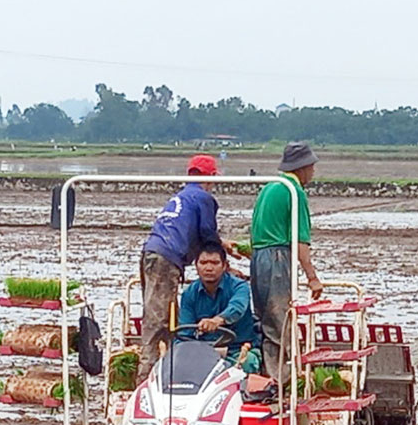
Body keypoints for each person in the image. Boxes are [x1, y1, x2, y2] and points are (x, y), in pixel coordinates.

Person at [138, 154, 237, 380]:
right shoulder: (204, 198)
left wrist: (222, 244)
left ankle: (167, 370)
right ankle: (146, 378)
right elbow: (207, 236)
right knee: (159, 319)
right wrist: (225, 266)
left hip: (151, 253)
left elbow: (199, 233)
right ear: (210, 178)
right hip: (167, 258)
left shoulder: (182, 196)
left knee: (165, 315)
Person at [249, 141, 323, 380]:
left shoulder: (272, 187)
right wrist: (312, 278)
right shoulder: (294, 191)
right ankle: (282, 382)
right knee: (281, 321)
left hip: (259, 258)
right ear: (303, 167)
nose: (313, 172)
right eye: (311, 167)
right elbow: (300, 242)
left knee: (264, 320)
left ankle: (266, 375)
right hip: (277, 258)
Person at [179, 241, 262, 374]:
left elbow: (237, 308)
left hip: (236, 350)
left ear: (224, 266)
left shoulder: (240, 286)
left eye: (215, 263)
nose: (209, 268)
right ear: (196, 266)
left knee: (249, 362)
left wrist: (217, 321)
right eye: (203, 263)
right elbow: (184, 332)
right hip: (203, 352)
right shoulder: (189, 294)